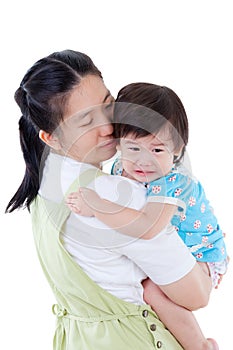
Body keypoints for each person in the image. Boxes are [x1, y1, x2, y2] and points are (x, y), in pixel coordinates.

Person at [6, 50, 214, 350]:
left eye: (107, 106)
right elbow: (197, 295)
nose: (107, 128)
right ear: (51, 137)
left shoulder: (45, 180)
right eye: (86, 121)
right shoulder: (114, 195)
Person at [66, 83, 228, 350]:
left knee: (152, 290)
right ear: (118, 143)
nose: (144, 161)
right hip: (174, 253)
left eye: (157, 150)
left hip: (201, 256)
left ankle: (199, 345)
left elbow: (149, 226)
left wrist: (97, 206)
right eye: (133, 148)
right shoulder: (121, 167)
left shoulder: (173, 181)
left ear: (177, 149)